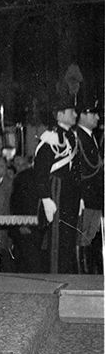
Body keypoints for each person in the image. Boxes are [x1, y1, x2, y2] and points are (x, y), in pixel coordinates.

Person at [34, 97, 81, 275]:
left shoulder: (72, 136)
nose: (75, 115)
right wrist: (45, 198)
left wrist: (80, 197)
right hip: (56, 194)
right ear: (60, 115)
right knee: (56, 241)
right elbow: (40, 171)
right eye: (71, 111)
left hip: (70, 196)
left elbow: (76, 171)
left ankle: (68, 277)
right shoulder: (51, 138)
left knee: (69, 239)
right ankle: (56, 278)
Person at [75, 99, 103, 275]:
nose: (98, 117)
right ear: (83, 115)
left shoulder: (91, 136)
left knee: (91, 237)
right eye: (94, 114)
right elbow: (82, 170)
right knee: (83, 238)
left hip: (95, 196)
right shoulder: (78, 136)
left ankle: (91, 274)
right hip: (85, 196)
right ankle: (83, 275)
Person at [10, 154, 45, 275]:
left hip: (26, 225)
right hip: (37, 225)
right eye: (17, 164)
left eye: (21, 164)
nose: (19, 167)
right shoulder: (36, 176)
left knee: (29, 261)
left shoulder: (22, 178)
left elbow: (20, 204)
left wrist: (22, 224)